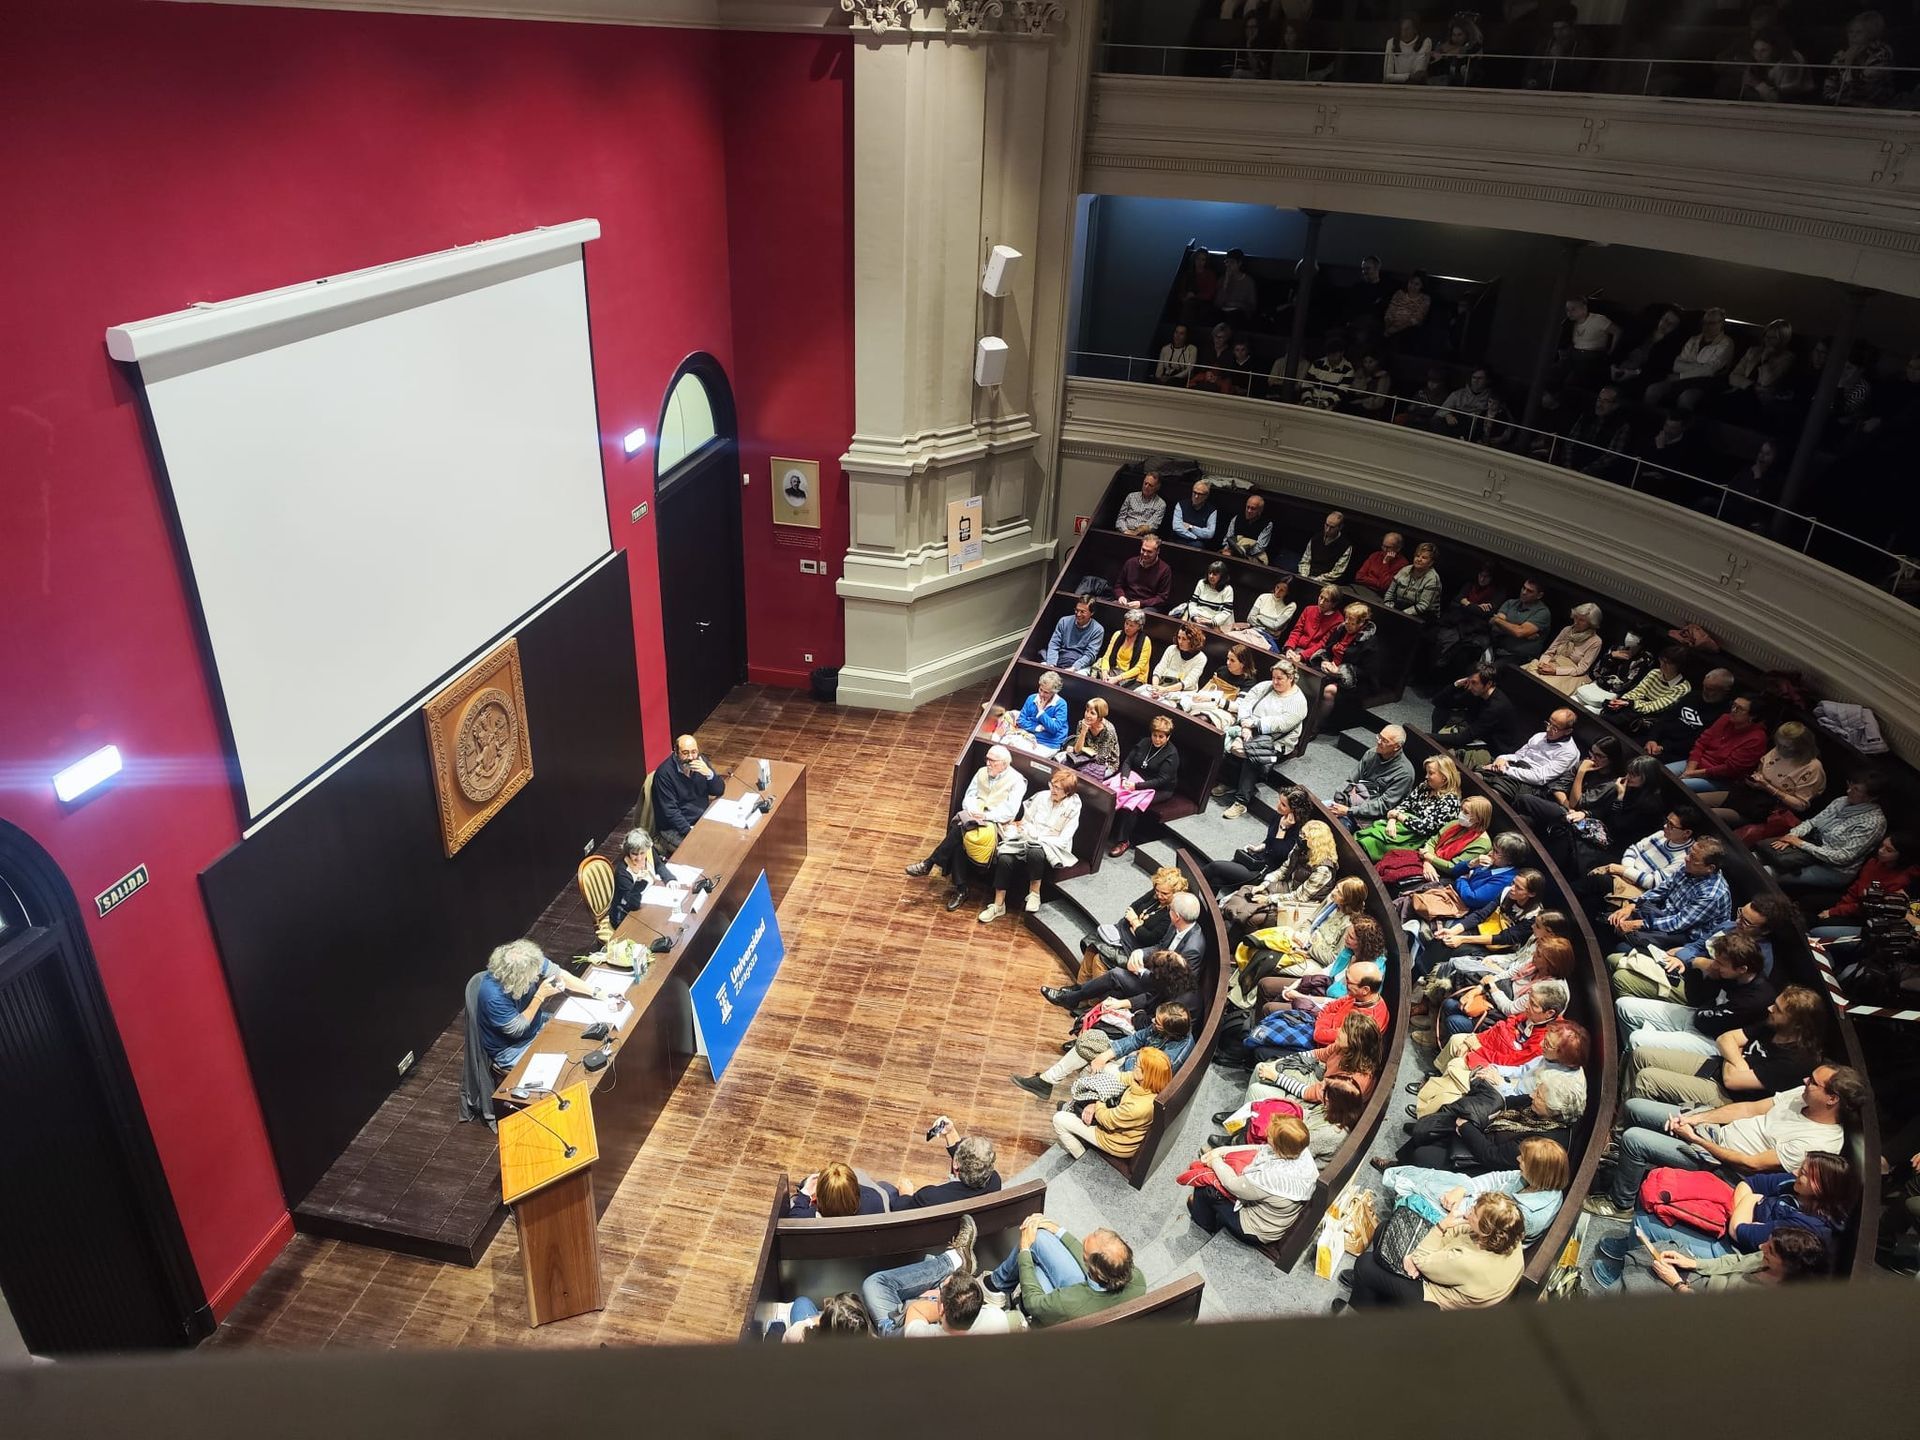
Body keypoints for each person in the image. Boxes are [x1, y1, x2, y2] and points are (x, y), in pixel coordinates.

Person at [1589, 1064, 1867, 1220]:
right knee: (1635, 1107)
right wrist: (1697, 1119)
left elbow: (1751, 1164)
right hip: (1715, 1132)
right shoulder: (1804, 1095)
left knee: (1635, 1139)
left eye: (1814, 1082)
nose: (1805, 1080)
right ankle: (1620, 1163)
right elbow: (1749, 1109)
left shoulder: (1819, 1143)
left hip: (1721, 1165)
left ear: (1832, 1099)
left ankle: (1620, 1205)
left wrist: (1694, 1138)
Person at [1624, 984, 1828, 1108]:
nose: (1769, 1008)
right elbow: (1725, 1039)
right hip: (1716, 1066)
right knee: (1641, 1055)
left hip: (1728, 1097)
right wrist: (1739, 1060)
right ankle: (1622, 1105)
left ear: (1797, 1024)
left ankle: (1617, 1139)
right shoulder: (1772, 1024)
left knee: (1647, 1078)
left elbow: (1733, 1082)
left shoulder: (1798, 1059)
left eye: (1778, 1009)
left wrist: (1734, 1052)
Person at [1347, 1191, 1526, 1310]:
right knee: (1385, 1229)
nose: (1468, 1212)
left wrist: (1441, 1227)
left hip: (1436, 1302)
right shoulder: (1508, 1235)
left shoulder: (1469, 1262)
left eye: (1474, 1213)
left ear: (1486, 1230)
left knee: (1365, 1265)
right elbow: (1459, 1229)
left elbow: (1421, 1260)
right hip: (1451, 1273)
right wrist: (1433, 1248)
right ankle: (1373, 1292)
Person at [1380, 1135, 1569, 1245]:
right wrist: (1464, 1189)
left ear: (1537, 1172)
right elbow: (1496, 1178)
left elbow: (1487, 1233)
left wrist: (1460, 1212)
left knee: (1420, 1195)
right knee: (1432, 1180)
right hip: (1476, 1203)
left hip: (1472, 1227)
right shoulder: (1534, 1178)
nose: (1518, 1160)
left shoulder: (1528, 1216)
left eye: (1523, 1160)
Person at [1616, 927, 1775, 1055]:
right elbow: (1695, 999)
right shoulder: (1727, 974)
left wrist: (1705, 1006)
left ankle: (1639, 1057)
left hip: (1715, 1040)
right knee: (1624, 1006)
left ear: (1742, 969)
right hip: (1701, 1016)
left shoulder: (1755, 999)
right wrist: (1703, 970)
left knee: (1638, 1038)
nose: (1714, 965)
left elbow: (1706, 1023)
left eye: (1720, 964)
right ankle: (1637, 1054)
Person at [906, 743, 1027, 911]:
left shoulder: (1017, 781)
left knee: (960, 830)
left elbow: (1009, 811)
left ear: (1004, 763)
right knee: (961, 831)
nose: (988, 763)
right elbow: (969, 796)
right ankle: (960, 888)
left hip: (997, 823)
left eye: (992, 761)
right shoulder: (981, 772)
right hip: (974, 816)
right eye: (987, 759)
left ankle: (931, 863)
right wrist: (973, 811)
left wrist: (985, 816)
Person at [1044, 899, 1206, 1015]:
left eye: (1170, 910)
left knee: (1115, 975)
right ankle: (1074, 998)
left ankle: (1076, 1001)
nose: (1168, 911)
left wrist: (1142, 972)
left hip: (1161, 994)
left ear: (1176, 916)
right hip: (1154, 976)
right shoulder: (1177, 925)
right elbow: (1160, 947)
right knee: (1114, 973)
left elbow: (1174, 986)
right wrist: (1140, 953)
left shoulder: (1193, 949)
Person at [1013, 1001, 1193, 1103]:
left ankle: (1077, 1105)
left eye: (1158, 1023)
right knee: (1090, 1042)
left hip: (1135, 1079)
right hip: (1133, 1059)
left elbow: (1144, 1078)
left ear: (1169, 1031)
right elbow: (1136, 1040)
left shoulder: (1173, 1056)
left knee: (1097, 1068)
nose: (1153, 1021)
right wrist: (1105, 1055)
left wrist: (1126, 1058)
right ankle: (1046, 1081)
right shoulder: (1161, 1028)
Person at [981, 1216, 1144, 1325]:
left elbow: (1034, 1303)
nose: (1083, 1239)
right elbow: (1092, 1260)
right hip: (1086, 1302)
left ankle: (1005, 1294)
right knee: (1038, 1240)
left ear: (1094, 1272)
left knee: (1034, 1266)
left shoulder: (1072, 1303)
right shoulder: (1136, 1278)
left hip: (1058, 1315)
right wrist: (1057, 1230)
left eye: (1084, 1254)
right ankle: (1002, 1286)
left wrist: (1024, 1250)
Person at [1186, 1114, 1319, 1246]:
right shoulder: (1300, 1151)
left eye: (1270, 1136)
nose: (1266, 1133)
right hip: (1276, 1218)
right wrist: (1223, 1151)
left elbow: (1232, 1184)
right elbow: (1261, 1148)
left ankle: (1202, 1225)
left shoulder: (1272, 1178)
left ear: (1278, 1145)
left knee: (1207, 1189)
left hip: (1255, 1228)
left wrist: (1215, 1161)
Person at [473, 938, 599, 1073]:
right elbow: (517, 1029)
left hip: (536, 1024)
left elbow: (559, 974)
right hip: (512, 1048)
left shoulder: (528, 959)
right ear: (517, 977)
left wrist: (596, 992)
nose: (536, 977)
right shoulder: (493, 996)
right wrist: (540, 996)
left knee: (582, 1034)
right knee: (567, 1065)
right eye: (532, 976)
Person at [980, 766, 1081, 922]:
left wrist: (1038, 837)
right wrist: (1029, 831)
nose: (1053, 790)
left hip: (1053, 847)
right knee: (1005, 858)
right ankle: (998, 905)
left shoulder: (1073, 806)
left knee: (1035, 850)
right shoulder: (1041, 797)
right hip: (1027, 838)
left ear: (1067, 792)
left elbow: (1063, 839)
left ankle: (1034, 894)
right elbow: (1026, 822)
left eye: (1058, 788)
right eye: (1052, 785)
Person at [1760, 773, 1888, 892]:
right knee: (1757, 856)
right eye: (1850, 785)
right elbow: (1812, 823)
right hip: (1809, 847)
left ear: (1872, 797)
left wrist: (1800, 844)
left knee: (1766, 872)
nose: (1849, 791)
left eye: (1856, 790)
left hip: (1832, 869)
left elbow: (1843, 857)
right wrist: (1792, 835)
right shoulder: (1841, 801)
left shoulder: (1873, 823)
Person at [1215, 660, 1309, 819]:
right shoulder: (1265, 686)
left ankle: (1241, 802)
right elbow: (1246, 704)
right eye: (1273, 677)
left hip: (1276, 741)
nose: (1275, 682)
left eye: (1280, 679)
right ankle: (1229, 782)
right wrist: (1245, 725)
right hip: (1249, 729)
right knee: (1228, 741)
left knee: (1252, 757)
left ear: (1291, 678)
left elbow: (1282, 724)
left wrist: (1255, 725)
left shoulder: (1298, 702)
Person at [1605, 837, 1733, 954]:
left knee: (1624, 946)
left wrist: (1635, 924)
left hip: (1685, 935)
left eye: (1694, 858)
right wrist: (1632, 905)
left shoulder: (1712, 894)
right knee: (1611, 920)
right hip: (1664, 914)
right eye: (1689, 853)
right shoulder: (1688, 866)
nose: (1686, 858)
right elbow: (1662, 889)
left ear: (1710, 868)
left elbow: (1678, 923)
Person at [1215, 813, 1337, 930]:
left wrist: (1268, 899)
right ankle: (1221, 925)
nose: (1300, 837)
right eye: (1301, 833)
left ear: (1315, 842)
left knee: (1253, 916)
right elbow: (1284, 869)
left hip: (1299, 906)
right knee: (1248, 890)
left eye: (1304, 836)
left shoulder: (1323, 870)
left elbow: (1300, 897)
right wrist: (1264, 884)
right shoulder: (1300, 848)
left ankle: (1231, 939)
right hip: (1287, 888)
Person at [1049, 1045, 1170, 1160]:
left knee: (1059, 1120)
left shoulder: (1139, 1107)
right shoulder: (1149, 1084)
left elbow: (1106, 1120)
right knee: (1103, 1070)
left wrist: (1096, 1103)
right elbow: (1122, 1078)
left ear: (1146, 1074)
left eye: (1136, 1065)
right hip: (1119, 1122)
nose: (1133, 1066)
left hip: (1115, 1141)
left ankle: (1082, 1159)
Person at [1715, 719, 1825, 843]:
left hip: (1767, 811)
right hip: (1749, 795)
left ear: (1801, 747)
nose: (1781, 749)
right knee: (1699, 802)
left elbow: (1800, 805)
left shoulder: (1812, 768)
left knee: (1712, 814)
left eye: (1787, 747)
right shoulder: (1778, 750)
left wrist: (1768, 787)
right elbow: (1761, 771)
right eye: (1779, 744)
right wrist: (1757, 781)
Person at [1810, 833, 1920, 942]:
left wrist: (1834, 912)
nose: (1881, 851)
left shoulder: (1902, 880)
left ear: (1901, 855)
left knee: (1819, 929)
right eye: (1882, 846)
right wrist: (1839, 906)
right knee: (1810, 902)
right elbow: (1857, 887)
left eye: (1889, 850)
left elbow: (1869, 907)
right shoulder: (1873, 862)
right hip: (1853, 903)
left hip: (1867, 916)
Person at [1356, 754, 1462, 860]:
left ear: (1444, 777)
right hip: (1400, 826)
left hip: (1416, 840)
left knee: (1370, 842)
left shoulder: (1450, 803)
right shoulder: (1425, 786)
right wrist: (1392, 820)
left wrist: (1398, 816)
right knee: (1365, 835)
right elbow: (1405, 804)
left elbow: (1424, 828)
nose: (1426, 776)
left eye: (1431, 773)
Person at [881, 1120, 1002, 1210]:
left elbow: (901, 1209)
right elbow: (972, 1163)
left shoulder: (929, 1197)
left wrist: (905, 1195)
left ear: (956, 1165)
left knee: (884, 1187)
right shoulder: (994, 1181)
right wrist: (950, 1132)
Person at [1108, 714, 1181, 857]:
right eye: (1155, 735)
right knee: (1111, 791)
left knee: (1132, 805)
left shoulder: (1172, 754)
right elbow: (1128, 762)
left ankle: (1123, 841)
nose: (1157, 739)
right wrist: (1124, 778)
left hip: (1158, 789)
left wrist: (1136, 786)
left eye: (1161, 736)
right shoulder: (1144, 742)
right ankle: (1106, 829)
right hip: (1134, 779)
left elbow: (1162, 780)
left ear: (1168, 737)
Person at [1672, 694, 1767, 795]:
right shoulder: (1725, 719)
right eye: (1733, 705)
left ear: (1752, 716)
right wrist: (1690, 770)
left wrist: (1693, 774)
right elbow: (1701, 743)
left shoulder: (1756, 739)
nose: (1733, 710)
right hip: (1696, 763)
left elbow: (1729, 769)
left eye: (1740, 709)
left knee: (1677, 785)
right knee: (1662, 772)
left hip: (1719, 779)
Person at [1324, 725, 1415, 828]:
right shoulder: (1371, 753)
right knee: (1318, 809)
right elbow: (1351, 780)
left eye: (1385, 741)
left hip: (1371, 816)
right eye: (1379, 737)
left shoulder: (1404, 774)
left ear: (1397, 747)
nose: (1379, 742)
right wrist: (1340, 799)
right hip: (1354, 801)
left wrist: (1349, 811)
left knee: (1334, 827)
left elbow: (1382, 806)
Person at [1478, 708, 1580, 801]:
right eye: (1549, 723)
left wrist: (1505, 770)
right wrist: (1502, 759)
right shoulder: (1540, 736)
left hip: (1533, 784)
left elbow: (1540, 777)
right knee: (1480, 773)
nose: (1548, 729)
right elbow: (1519, 756)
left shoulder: (1569, 753)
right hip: (1516, 767)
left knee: (1496, 790)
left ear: (1568, 731)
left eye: (1555, 728)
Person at [1433, 664, 1528, 764]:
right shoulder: (1476, 692)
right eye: (1469, 681)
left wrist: (1430, 737)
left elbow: (1463, 738)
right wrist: (1455, 685)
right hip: (1478, 735)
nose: (1470, 686)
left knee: (1446, 755)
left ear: (1489, 684)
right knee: (1440, 712)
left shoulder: (1496, 707)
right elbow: (1438, 702)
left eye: (1474, 682)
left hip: (1494, 750)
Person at [1645, 308, 1736, 410]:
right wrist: (1700, 367)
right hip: (1684, 381)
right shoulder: (1694, 340)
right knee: (1653, 389)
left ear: (1721, 324)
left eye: (1711, 323)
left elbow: (1710, 371)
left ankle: (1680, 420)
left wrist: (1682, 375)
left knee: (1686, 398)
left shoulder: (1726, 343)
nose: (1706, 326)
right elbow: (1677, 365)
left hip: (1704, 384)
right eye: (1704, 323)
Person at [652, 732, 727, 853]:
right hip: (676, 828)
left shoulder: (701, 762)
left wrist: (709, 774)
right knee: (702, 851)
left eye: (694, 752)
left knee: (725, 838)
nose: (691, 757)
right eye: (685, 753)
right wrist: (691, 833)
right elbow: (670, 812)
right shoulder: (664, 775)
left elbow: (719, 790)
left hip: (701, 819)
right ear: (676, 753)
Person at [1638, 665, 1734, 759]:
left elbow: (1697, 742)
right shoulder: (1693, 696)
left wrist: (1664, 748)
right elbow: (1666, 717)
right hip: (1656, 740)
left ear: (1725, 690)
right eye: (1704, 687)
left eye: (1711, 690)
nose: (1705, 691)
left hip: (1677, 752)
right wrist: (1652, 739)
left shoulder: (1723, 714)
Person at [1600, 645, 1693, 731]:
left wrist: (1629, 704)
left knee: (1621, 720)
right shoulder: (1655, 673)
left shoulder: (1683, 687)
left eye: (1668, 663)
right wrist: (1622, 701)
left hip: (1650, 716)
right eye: (1662, 660)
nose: (1662, 665)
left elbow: (1656, 707)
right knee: (1609, 707)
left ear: (1679, 666)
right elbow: (1638, 691)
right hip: (1634, 705)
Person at [1523, 603, 1603, 693]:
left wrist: (1555, 671)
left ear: (1591, 623)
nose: (1576, 622)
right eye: (1576, 617)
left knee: (1542, 687)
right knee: (1525, 673)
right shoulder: (1567, 630)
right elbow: (1549, 652)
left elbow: (1581, 669)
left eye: (1582, 620)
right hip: (1552, 663)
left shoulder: (1595, 641)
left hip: (1570, 673)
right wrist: (1543, 663)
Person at [1824, 8, 1895, 108]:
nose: (1853, 36)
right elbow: (1827, 92)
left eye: (1859, 32)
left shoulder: (1881, 54)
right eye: (1850, 32)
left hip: (1880, 108)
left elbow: (1863, 92)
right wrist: (1847, 62)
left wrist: (1848, 66)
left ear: (1870, 35)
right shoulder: (1840, 56)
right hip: (1846, 107)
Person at [1560, 385, 1634, 479]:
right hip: (1570, 468)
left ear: (1615, 405)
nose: (1599, 404)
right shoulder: (1586, 415)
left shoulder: (1621, 426)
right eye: (1599, 399)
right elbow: (1570, 441)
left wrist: (1584, 472)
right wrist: (1568, 466)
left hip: (1596, 476)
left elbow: (1611, 456)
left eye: (1606, 401)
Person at [785, 1160, 891, 1219]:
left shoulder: (808, 1218)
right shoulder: (874, 1199)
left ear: (818, 1198)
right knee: (861, 1173)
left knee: (793, 1201)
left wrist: (805, 1193)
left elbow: (794, 1218)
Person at [1486, 576, 1551, 666]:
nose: (1524, 592)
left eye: (1530, 591)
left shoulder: (1542, 612)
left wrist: (1497, 620)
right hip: (1498, 648)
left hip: (1521, 657)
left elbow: (1519, 632)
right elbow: (1495, 628)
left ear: (1539, 595)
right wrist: (1524, 634)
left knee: (1487, 671)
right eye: (1524, 588)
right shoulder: (1510, 603)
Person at [607, 827, 662, 930]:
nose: (639, 858)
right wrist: (640, 883)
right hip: (624, 916)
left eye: (642, 853)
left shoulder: (648, 853)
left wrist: (670, 879)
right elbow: (633, 904)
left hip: (645, 904)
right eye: (634, 854)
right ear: (628, 851)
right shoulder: (622, 872)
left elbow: (659, 865)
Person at [1557, 296, 1619, 387]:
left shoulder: (1598, 319)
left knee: (1571, 381)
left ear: (1584, 308)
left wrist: (1612, 351)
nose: (1569, 313)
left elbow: (1617, 331)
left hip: (1592, 357)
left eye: (1573, 309)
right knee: (1554, 373)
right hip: (1574, 354)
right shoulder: (1570, 324)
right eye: (1567, 310)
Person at [1139, 624, 1210, 703]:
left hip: (1183, 693)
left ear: (1193, 640)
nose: (1180, 642)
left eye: (1184, 639)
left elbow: (1189, 682)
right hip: (1162, 686)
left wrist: (1164, 690)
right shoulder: (1171, 649)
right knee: (1142, 695)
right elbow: (1159, 668)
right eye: (1179, 637)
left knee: (1164, 703)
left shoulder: (1201, 658)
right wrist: (1155, 687)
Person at [1431, 366, 1500, 441]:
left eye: (1480, 378)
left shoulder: (1491, 398)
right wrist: (1447, 415)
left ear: (1487, 380)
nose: (1476, 381)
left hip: (1473, 429)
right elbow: (1439, 412)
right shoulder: (1458, 394)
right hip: (1453, 425)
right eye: (1474, 378)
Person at [1057, 699, 1120, 778]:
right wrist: (1083, 731)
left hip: (1107, 764)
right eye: (1087, 711)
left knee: (1083, 774)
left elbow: (1101, 759)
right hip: (1085, 756)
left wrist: (1081, 760)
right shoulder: (1082, 724)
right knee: (1064, 764)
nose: (1088, 715)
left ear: (1100, 717)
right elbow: (1077, 750)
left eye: (1092, 713)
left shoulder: (1108, 730)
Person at [1089, 607, 1152, 686]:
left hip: (1133, 677)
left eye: (1131, 625)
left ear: (1139, 627)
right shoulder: (1117, 634)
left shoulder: (1145, 641)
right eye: (1126, 623)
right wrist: (1105, 672)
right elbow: (1106, 657)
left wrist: (1118, 678)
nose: (1127, 627)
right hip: (1113, 671)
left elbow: (1138, 668)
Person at [1041, 595, 1104, 673]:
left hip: (1080, 665)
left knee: (1081, 675)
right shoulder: (1064, 621)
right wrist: (1051, 664)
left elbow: (1090, 655)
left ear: (1092, 613)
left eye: (1083, 612)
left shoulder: (1098, 630)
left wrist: (1074, 668)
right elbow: (1054, 644)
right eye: (1077, 610)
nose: (1078, 614)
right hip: (1060, 658)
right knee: (1043, 668)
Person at [1013, 669, 1069, 752]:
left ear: (1054, 693)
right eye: (1040, 689)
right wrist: (1039, 727)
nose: (1041, 694)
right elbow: (1021, 721)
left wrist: (1041, 712)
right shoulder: (1031, 698)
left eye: (1046, 692)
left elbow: (1054, 728)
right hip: (1030, 736)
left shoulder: (1061, 704)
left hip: (1050, 743)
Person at [1382, 541, 1442, 618]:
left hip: (1423, 615)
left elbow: (1423, 606)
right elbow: (1390, 592)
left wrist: (1401, 614)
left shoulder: (1433, 579)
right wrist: (1388, 606)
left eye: (1424, 558)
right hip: (1400, 607)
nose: (1419, 559)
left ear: (1431, 562)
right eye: (1417, 556)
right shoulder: (1405, 570)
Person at [1113, 535, 1173, 612]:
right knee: (1112, 606)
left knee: (1140, 615)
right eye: (1143, 550)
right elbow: (1118, 586)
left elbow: (1162, 597)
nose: (1145, 554)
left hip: (1148, 606)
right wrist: (1121, 596)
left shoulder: (1165, 569)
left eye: (1149, 552)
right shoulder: (1131, 562)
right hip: (1128, 600)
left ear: (1157, 551)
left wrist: (1141, 603)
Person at [1169, 562, 1235, 630]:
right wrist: (1194, 617)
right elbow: (1192, 603)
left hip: (1215, 621)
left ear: (1222, 576)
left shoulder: (1228, 589)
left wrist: (1211, 622)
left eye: (1215, 574)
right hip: (1197, 617)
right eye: (1210, 573)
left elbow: (1226, 612)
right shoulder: (1202, 583)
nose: (1211, 576)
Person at [1238, 578, 1297, 649]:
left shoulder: (1291, 605)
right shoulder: (1263, 597)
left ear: (1288, 592)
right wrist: (1268, 625)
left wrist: (1259, 617)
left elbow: (1275, 626)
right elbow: (1250, 618)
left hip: (1269, 637)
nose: (1277, 591)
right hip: (1253, 630)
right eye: (1277, 587)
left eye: (1282, 590)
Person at [1295, 510, 1352, 582]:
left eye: (1332, 527)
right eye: (1326, 525)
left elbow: (1337, 572)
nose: (1327, 530)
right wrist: (1305, 577)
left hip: (1326, 582)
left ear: (1340, 527)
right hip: (1307, 576)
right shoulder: (1316, 538)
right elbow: (1305, 561)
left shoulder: (1345, 546)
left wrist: (1316, 580)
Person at [1300, 339, 1355, 410]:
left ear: (1342, 353)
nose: (1331, 357)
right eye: (1329, 354)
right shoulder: (1317, 364)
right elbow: (1307, 385)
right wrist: (1308, 402)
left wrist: (1324, 404)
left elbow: (1341, 393)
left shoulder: (1348, 369)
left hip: (1331, 406)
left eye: (1335, 354)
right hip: (1310, 402)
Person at [1220, 490, 1274, 563]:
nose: (1249, 511)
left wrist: (1242, 553)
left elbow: (1260, 547)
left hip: (1252, 556)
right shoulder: (1237, 518)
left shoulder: (1267, 524)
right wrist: (1228, 550)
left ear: (1260, 510)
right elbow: (1228, 538)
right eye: (1247, 507)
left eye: (1253, 508)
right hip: (1233, 551)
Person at [1430, 16, 1484, 86]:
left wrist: (1444, 53)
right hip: (1451, 86)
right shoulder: (1449, 48)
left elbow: (1462, 50)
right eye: (1454, 35)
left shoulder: (1476, 47)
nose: (1456, 38)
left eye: (1459, 35)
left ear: (1467, 35)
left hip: (1474, 86)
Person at [1381, 271, 1430, 342]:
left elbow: (1417, 318)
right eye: (1411, 282)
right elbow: (1390, 310)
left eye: (1416, 284)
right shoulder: (1399, 294)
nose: (1412, 286)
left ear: (1422, 286)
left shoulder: (1425, 299)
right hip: (1391, 324)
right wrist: (1388, 327)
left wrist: (1395, 329)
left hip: (1409, 328)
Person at [1382, 15, 1432, 83]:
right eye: (1401, 29)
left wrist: (1397, 77)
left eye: (1407, 29)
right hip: (1395, 85)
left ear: (1415, 30)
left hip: (1416, 86)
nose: (1403, 32)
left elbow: (1418, 75)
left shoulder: (1425, 42)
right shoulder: (1391, 42)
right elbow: (1387, 76)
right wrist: (1408, 76)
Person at [1169, 478, 1219, 545]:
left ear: (1206, 496)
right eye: (1194, 492)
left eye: (1200, 494)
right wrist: (1195, 537)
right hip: (1178, 539)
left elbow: (1210, 533)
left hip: (1196, 544)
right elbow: (1177, 527)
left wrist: (1191, 527)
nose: (1196, 496)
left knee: (1198, 545)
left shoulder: (1212, 511)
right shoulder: (1181, 505)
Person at [1114, 470, 1165, 536]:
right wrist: (1125, 531)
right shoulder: (1131, 496)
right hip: (1124, 533)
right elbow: (1120, 519)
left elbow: (1152, 526)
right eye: (1145, 483)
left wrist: (1135, 533)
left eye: (1150, 485)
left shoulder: (1161, 504)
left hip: (1143, 536)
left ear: (1157, 487)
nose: (1146, 487)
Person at [1216, 248, 1259, 319]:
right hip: (1223, 313)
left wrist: (1237, 304)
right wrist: (1226, 282)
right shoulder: (1222, 279)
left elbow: (1252, 307)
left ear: (1239, 263)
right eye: (1227, 262)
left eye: (1232, 262)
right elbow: (1218, 303)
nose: (1228, 265)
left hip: (1239, 313)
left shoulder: (1248, 281)